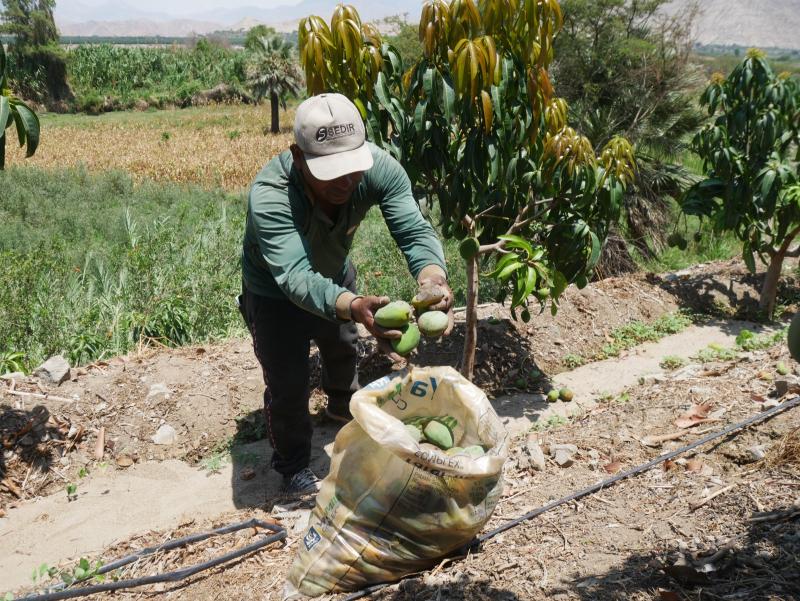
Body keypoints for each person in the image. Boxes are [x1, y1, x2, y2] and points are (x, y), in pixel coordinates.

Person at [239, 93, 454, 496]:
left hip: (335, 276)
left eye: (352, 168)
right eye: (330, 171)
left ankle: (340, 407)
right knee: (288, 384)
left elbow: (414, 231)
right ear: (299, 158)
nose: (345, 181)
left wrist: (433, 279)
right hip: (274, 294)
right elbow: (296, 278)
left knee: (342, 349)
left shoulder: (378, 168)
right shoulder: (270, 194)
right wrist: (354, 305)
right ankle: (292, 466)